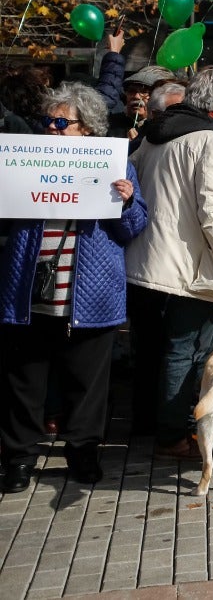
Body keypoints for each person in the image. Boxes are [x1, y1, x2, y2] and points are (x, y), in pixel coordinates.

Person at [0, 83, 147, 491]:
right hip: (29, 290)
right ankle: (19, 457)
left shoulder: (115, 166)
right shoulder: (26, 159)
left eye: (62, 122)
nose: (52, 128)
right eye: (48, 121)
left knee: (87, 382)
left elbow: (134, 227)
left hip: (89, 293)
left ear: (87, 128)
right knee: (24, 380)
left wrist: (126, 202)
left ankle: (83, 452)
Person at [125, 67, 213, 458]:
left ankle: (161, 425)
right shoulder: (209, 140)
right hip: (189, 267)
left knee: (160, 349)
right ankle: (173, 435)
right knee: (187, 351)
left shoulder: (153, 136)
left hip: (149, 262)